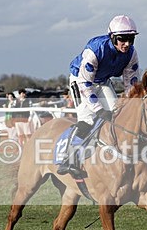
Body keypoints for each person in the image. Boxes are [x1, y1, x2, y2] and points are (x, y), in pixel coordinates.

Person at [57, 15, 141, 177]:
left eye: (131, 39)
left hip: (102, 81)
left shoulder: (131, 54)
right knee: (88, 119)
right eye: (122, 39)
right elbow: (85, 84)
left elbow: (131, 84)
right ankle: (69, 158)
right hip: (81, 81)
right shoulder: (95, 49)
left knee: (117, 115)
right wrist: (98, 109)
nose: (127, 44)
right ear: (112, 37)